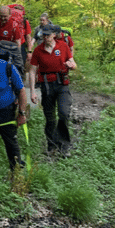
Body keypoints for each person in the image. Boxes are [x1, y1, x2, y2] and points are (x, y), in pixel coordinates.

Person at [28, 25, 77, 156]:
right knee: (50, 118)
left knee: (64, 113)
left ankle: (65, 145)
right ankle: (51, 145)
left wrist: (71, 65)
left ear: (54, 35)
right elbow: (32, 71)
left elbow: (73, 63)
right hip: (46, 86)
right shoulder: (38, 51)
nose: (45, 37)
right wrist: (32, 91)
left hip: (62, 85)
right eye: (43, 35)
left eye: (48, 35)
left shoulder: (63, 46)